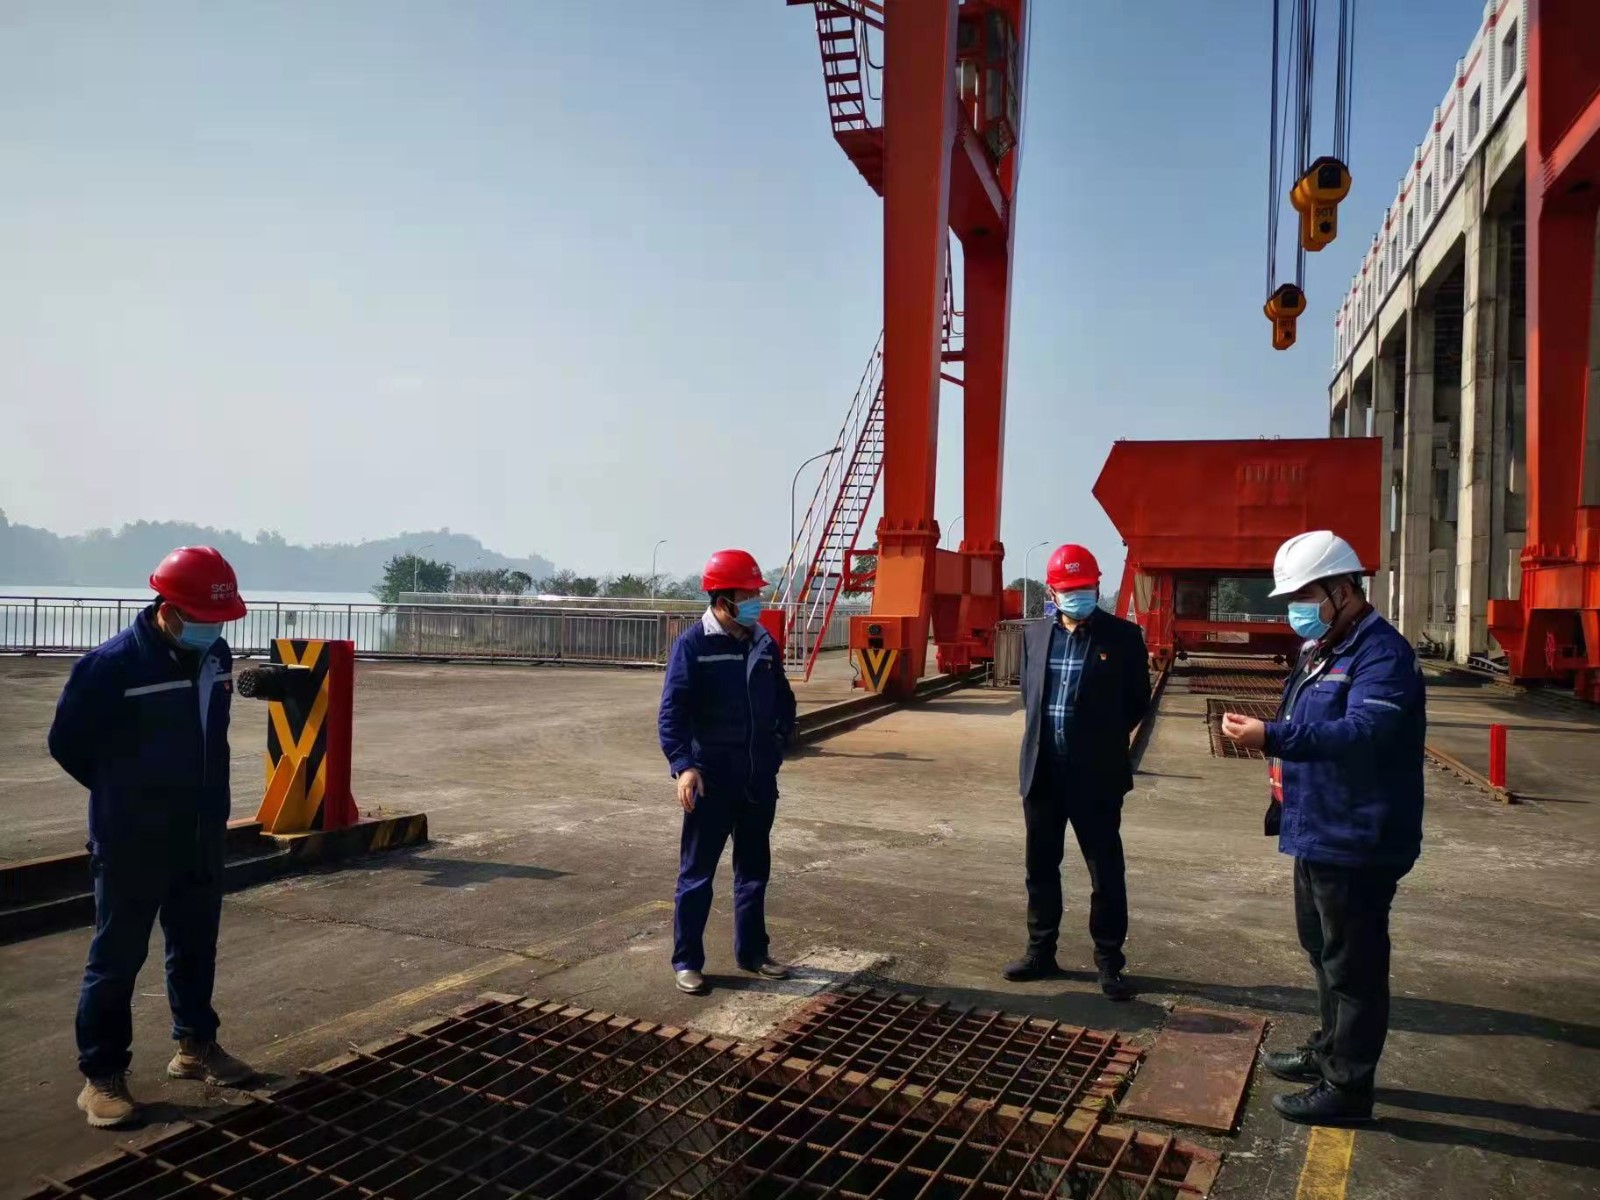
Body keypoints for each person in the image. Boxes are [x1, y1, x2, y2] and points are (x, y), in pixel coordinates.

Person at [1221, 529, 1425, 1126]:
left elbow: (1365, 732)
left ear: (1342, 589)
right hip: (1317, 828)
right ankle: (1329, 1050)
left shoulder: (1381, 655)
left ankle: (1348, 1089)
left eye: (1305, 595)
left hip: (1357, 837)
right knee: (1323, 952)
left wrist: (1271, 736)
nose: (1296, 608)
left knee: (1354, 968)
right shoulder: (1322, 649)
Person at [48, 546, 257, 1128]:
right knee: (116, 958)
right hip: (131, 841)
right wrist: (126, 796)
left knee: (195, 945)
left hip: (199, 833)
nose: (213, 630)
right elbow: (67, 743)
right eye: (204, 618)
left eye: (221, 619)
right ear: (168, 610)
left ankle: (195, 1046)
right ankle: (102, 1077)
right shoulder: (111, 666)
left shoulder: (214, 655)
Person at [1005, 543, 1150, 1000]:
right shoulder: (1034, 636)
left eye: (1085, 587)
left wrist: (1097, 740)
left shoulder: (1123, 638)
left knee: (1104, 873)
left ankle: (1109, 962)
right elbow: (1031, 697)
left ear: (1097, 585)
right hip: (1043, 773)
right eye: (1069, 588)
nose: (1078, 595)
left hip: (1096, 777)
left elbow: (1136, 703)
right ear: (1052, 591)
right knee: (1040, 867)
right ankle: (1040, 952)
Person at [658, 548, 797, 995]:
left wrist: (778, 744)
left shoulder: (763, 642)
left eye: (756, 594)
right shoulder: (695, 645)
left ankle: (753, 953)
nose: (756, 602)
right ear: (723, 600)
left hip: (757, 780)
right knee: (696, 875)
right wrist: (683, 766)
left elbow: (783, 700)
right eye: (748, 595)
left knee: (753, 873)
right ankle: (687, 961)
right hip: (711, 781)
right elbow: (672, 714)